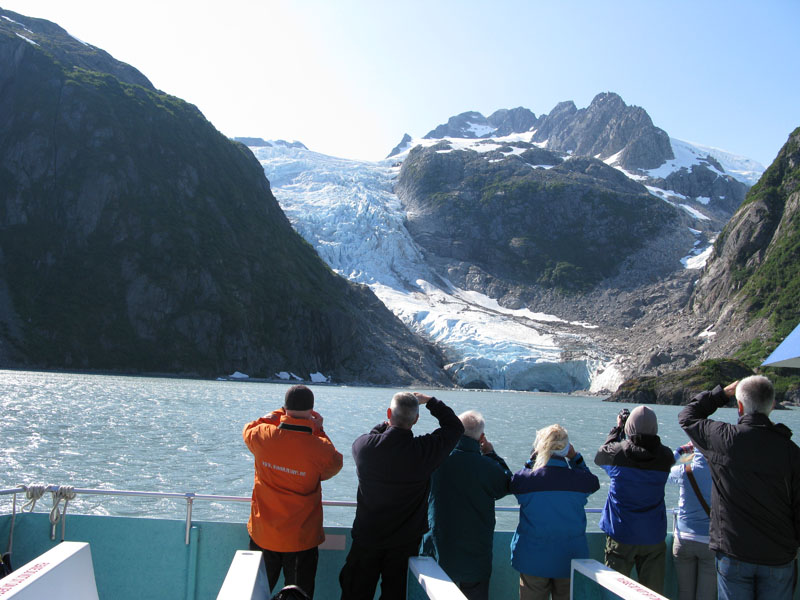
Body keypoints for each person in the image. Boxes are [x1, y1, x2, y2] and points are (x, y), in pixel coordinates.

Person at [679, 375, 800, 600]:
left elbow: (688, 416)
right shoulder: (791, 452)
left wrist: (721, 394)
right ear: (772, 405)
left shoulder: (722, 438)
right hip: (778, 556)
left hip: (734, 553)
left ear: (740, 406)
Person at [339, 391, 464, 600]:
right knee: (395, 594)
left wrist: (383, 426)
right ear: (416, 419)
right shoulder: (424, 451)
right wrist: (431, 402)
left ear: (389, 414)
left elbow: (372, 435)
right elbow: (454, 427)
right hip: (404, 544)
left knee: (355, 593)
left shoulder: (365, 448)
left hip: (366, 538)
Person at [243, 385, 343, 599]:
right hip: (301, 538)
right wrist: (318, 430)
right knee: (299, 596)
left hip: (264, 534)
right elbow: (333, 465)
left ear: (285, 407)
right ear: (312, 410)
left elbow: (249, 428)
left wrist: (278, 414)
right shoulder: (320, 448)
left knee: (255, 593)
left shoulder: (262, 435)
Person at [421, 410, 512, 600]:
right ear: (482, 437)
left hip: (438, 550)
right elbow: (508, 483)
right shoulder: (488, 466)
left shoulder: (436, 459)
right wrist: (492, 454)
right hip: (475, 556)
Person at [510, 424, 600, 600]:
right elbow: (593, 482)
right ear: (566, 449)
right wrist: (575, 458)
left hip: (533, 559)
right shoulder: (580, 480)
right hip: (570, 559)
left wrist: (532, 460)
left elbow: (516, 481)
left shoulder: (526, 480)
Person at [594, 405, 675, 594]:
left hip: (621, 534)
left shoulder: (617, 453)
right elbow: (651, 451)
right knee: (652, 593)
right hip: (653, 535)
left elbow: (600, 456)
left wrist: (617, 429)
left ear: (629, 427)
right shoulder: (666, 456)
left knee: (614, 592)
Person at [668, 441, 715, 600]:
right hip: (710, 542)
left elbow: (661, 470)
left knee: (685, 594)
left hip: (683, 540)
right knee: (706, 596)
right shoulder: (720, 473)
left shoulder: (684, 471)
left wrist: (680, 451)